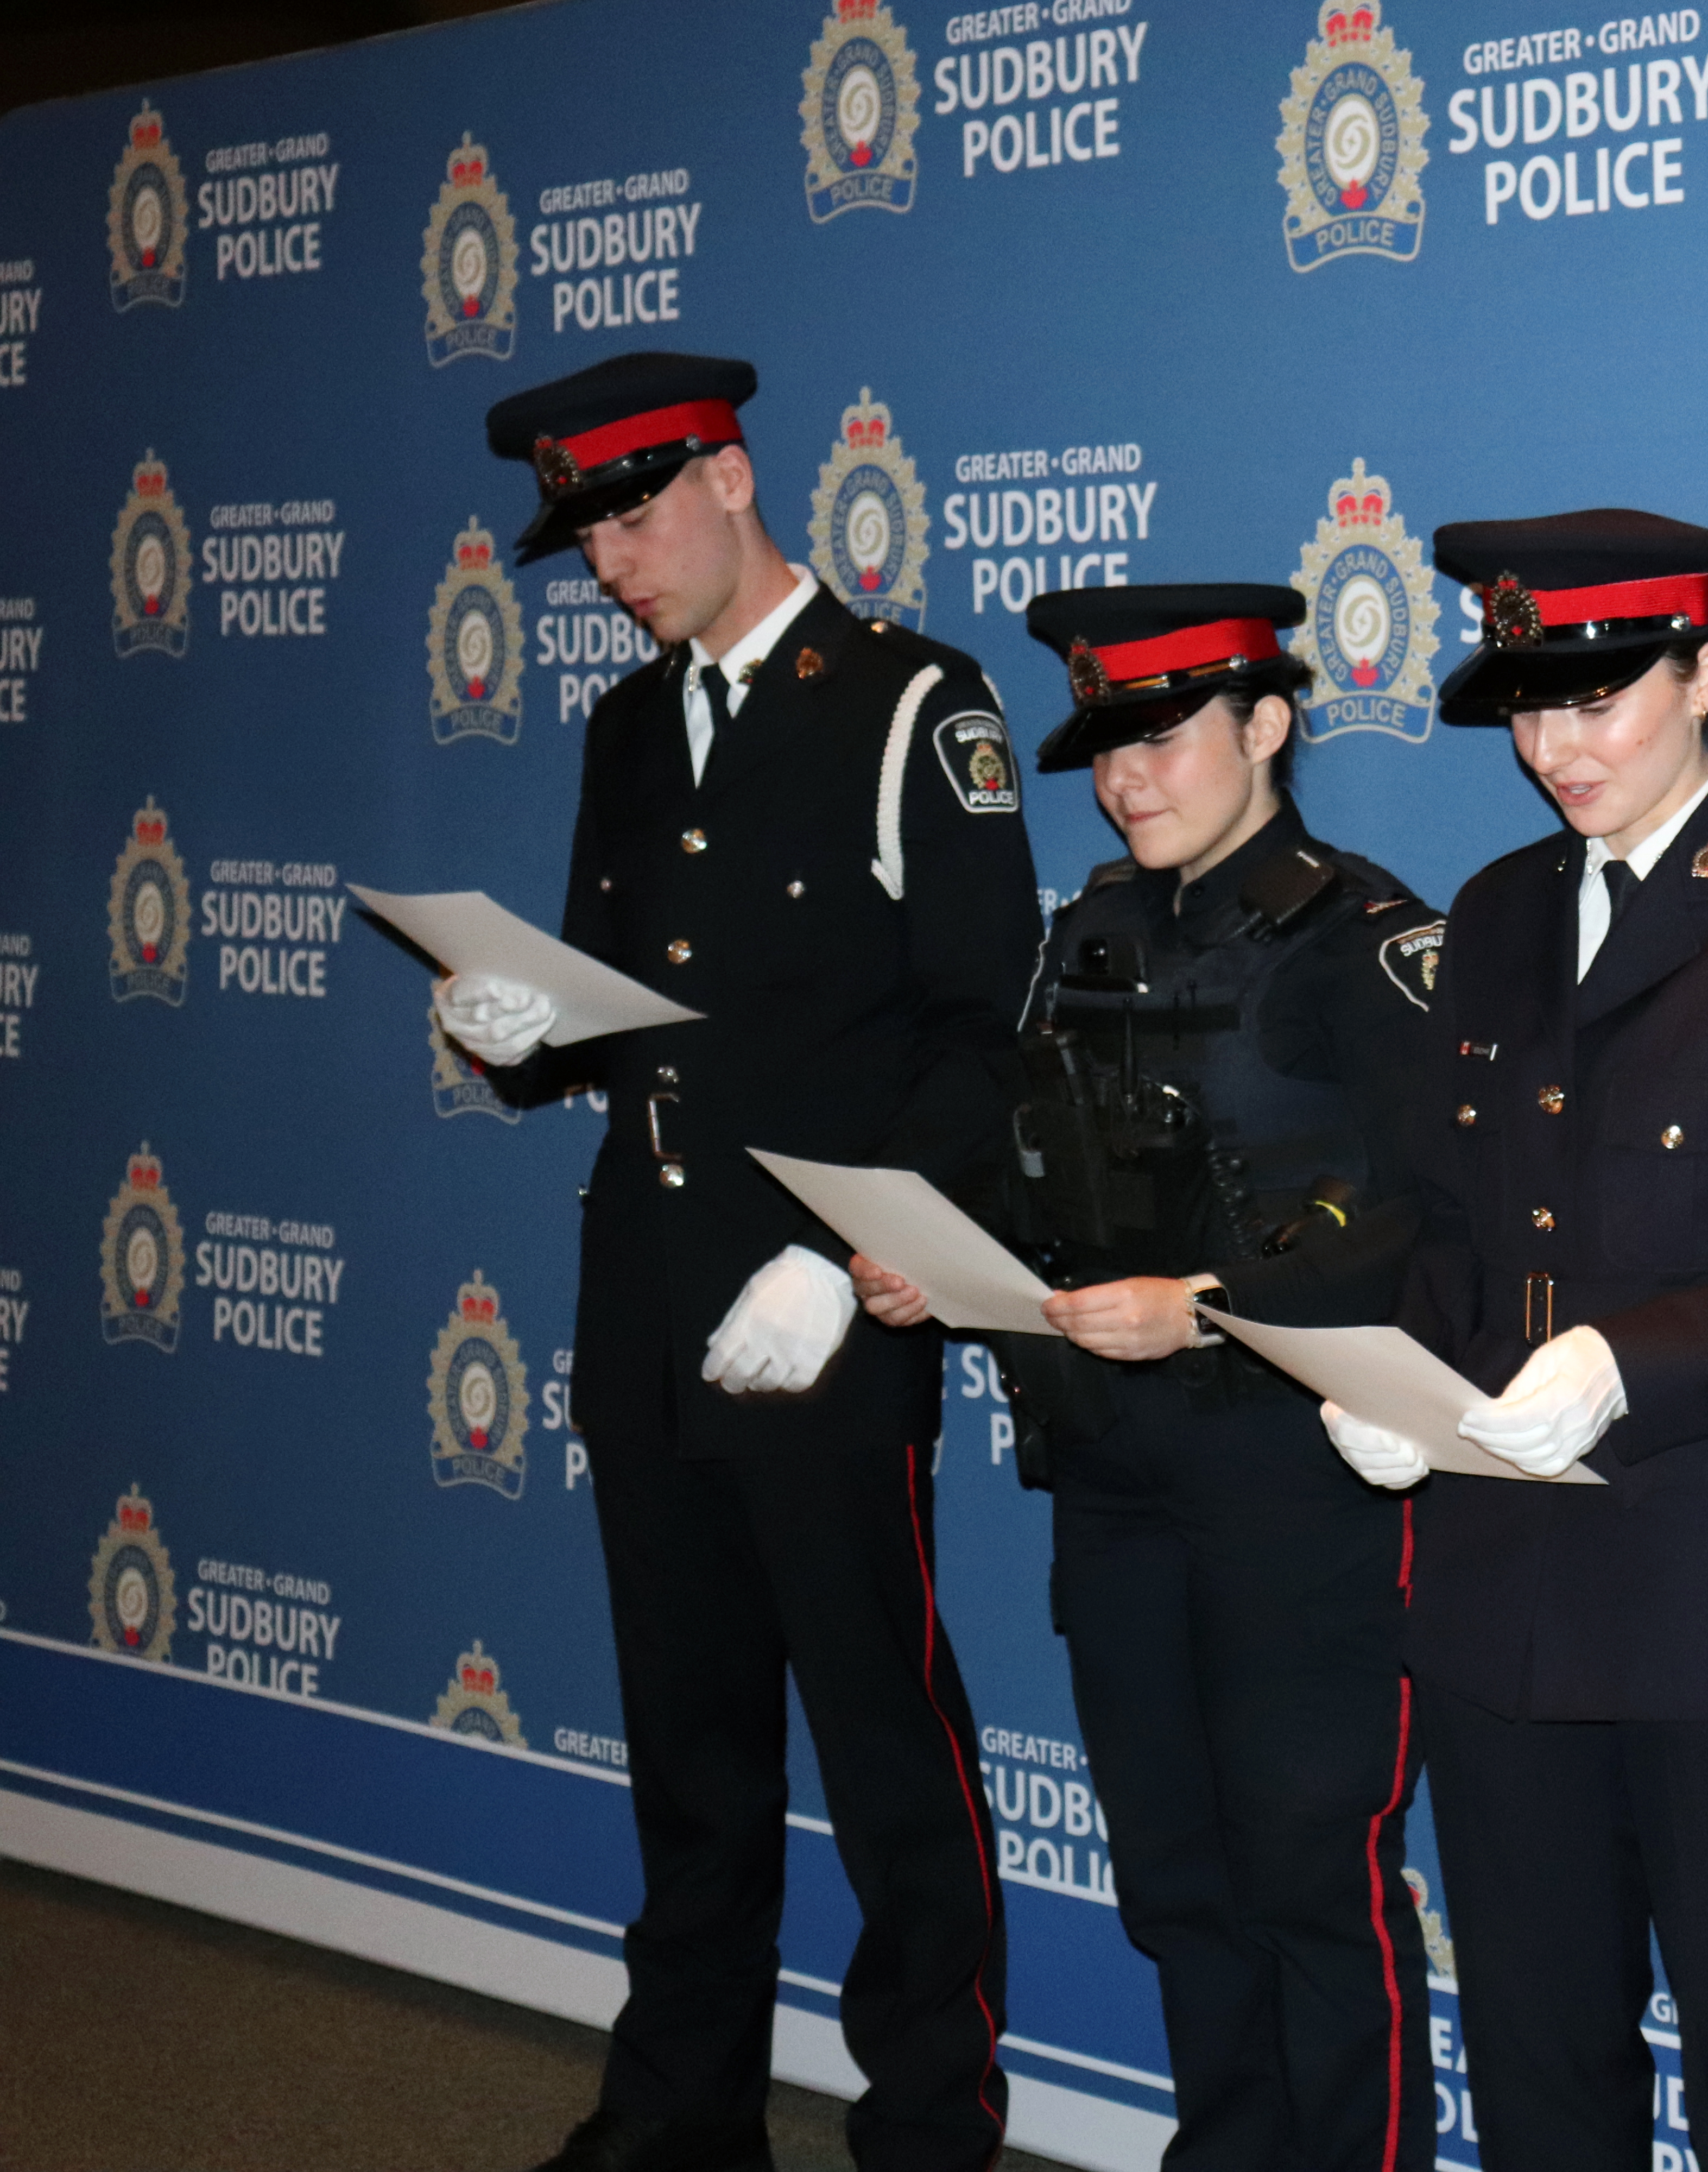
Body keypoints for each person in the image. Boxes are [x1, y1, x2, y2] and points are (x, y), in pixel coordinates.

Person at [438, 351, 1036, 2172]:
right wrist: (515, 1026)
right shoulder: (626, 733)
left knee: (882, 1758)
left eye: (632, 511)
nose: (609, 557)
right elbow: (628, 1023)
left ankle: (928, 2130)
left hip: (830, 1314)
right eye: (583, 531)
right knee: (691, 1757)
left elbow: (979, 1022)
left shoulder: (911, 701)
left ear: (731, 473)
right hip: (646, 1300)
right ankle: (680, 2119)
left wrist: (840, 1247)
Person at [1321, 510, 1708, 2172]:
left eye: (1599, 700)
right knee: (1537, 2048)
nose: (1557, 748)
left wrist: (1633, 1362)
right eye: (1530, 708)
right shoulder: (1495, 911)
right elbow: (1449, 1224)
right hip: (1502, 1581)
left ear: (1706, 672)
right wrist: (1395, 1381)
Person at [847, 585, 1440, 2172]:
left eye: (1164, 739)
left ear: (1268, 725)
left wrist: (1216, 1305)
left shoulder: (1364, 940)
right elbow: (1054, 1180)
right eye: (1106, 746)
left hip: (1294, 1481)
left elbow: (1429, 1230)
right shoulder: (1091, 928)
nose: (1127, 780)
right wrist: (947, 1263)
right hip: (1114, 1479)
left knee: (1314, 1881)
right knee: (1176, 1876)